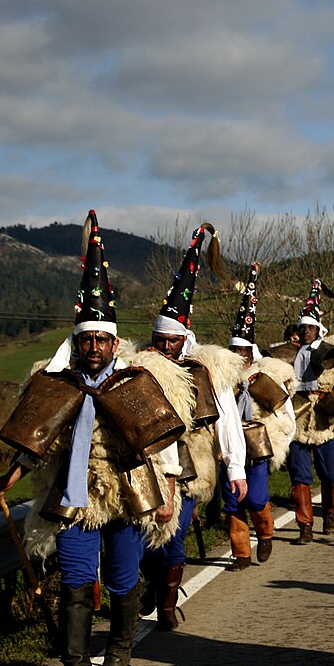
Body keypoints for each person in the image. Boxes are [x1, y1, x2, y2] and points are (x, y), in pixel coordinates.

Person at [0, 211, 188, 666]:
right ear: (76, 343)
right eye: (86, 340)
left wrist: (167, 494)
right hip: (75, 502)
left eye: (101, 340)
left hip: (125, 497)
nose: (94, 347)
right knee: (76, 583)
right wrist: (9, 477)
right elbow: (36, 442)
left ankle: (119, 650)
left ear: (114, 343)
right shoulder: (54, 384)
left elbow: (161, 443)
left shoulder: (137, 383)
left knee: (122, 581)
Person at [139, 223, 247, 630]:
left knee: (172, 534)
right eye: (159, 339)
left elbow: (227, 419)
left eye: (172, 341)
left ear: (182, 339)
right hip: (148, 470)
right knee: (146, 538)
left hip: (191, 470)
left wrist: (235, 469)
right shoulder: (143, 368)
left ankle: (166, 605)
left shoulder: (207, 368)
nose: (165, 347)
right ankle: (154, 586)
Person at [225, 263, 296, 568]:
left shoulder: (266, 379)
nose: (239, 358)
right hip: (228, 447)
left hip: (257, 447)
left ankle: (265, 533)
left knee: (255, 498)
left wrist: (278, 441)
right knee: (232, 501)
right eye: (234, 352)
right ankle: (241, 552)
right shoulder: (222, 379)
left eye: (243, 352)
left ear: (252, 355)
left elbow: (285, 416)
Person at [289, 280, 334, 542]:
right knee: (299, 475)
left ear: (318, 328)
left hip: (326, 421)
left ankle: (329, 511)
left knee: (330, 473)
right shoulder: (291, 354)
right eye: (302, 327)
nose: (306, 331)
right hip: (299, 420)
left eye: (310, 327)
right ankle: (304, 525)